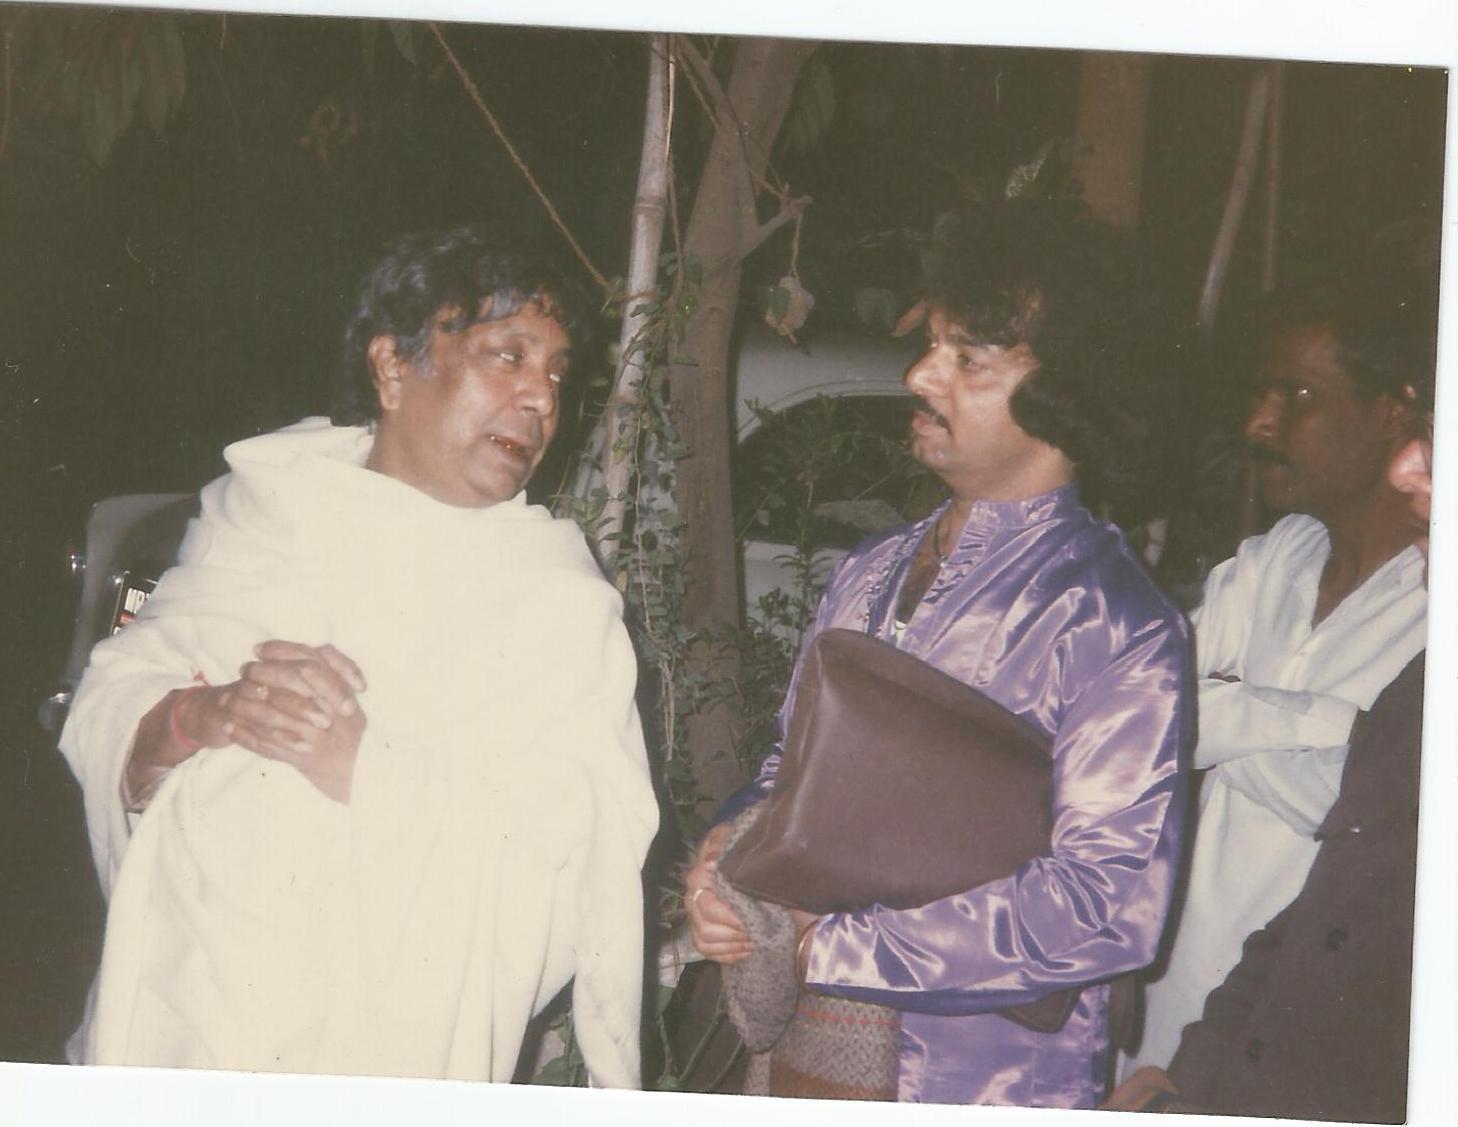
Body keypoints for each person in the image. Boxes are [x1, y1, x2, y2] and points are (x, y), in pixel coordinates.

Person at [58, 227, 658, 1085]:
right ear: (393, 366)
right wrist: (203, 714)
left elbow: (583, 850)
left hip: (387, 1050)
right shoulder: (269, 511)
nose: (540, 398)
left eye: (557, 374)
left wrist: (360, 764)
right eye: (509, 356)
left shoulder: (555, 598)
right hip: (183, 1016)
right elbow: (110, 702)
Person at [685, 199, 1192, 1109]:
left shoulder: (1113, 619)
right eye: (932, 345)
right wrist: (724, 854)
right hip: (813, 1047)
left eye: (969, 359)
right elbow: (789, 765)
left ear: (1065, 395)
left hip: (981, 1076)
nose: (920, 375)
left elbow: (1103, 906)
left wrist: (827, 948)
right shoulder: (873, 565)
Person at [1108, 364, 1435, 1122]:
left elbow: (1371, 810)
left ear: (1392, 416)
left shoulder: (1430, 597)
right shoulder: (1284, 551)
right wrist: (1335, 726)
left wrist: (1215, 722)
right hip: (1169, 982)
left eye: (1297, 397)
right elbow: (1136, 706)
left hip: (1293, 1028)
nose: (1259, 424)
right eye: (1260, 396)